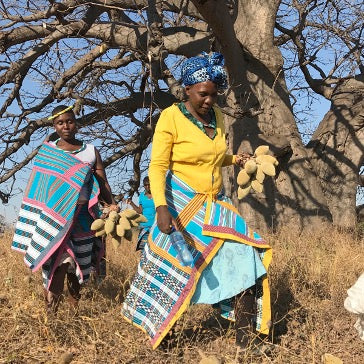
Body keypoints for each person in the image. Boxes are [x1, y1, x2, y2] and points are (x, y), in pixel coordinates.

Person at [121, 52, 272, 352]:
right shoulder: (171, 117)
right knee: (174, 269)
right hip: (181, 204)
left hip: (215, 204)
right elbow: (158, 165)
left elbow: (213, 157)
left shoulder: (216, 117)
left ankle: (248, 342)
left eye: (214, 94)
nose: (209, 100)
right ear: (187, 90)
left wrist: (236, 159)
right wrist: (162, 208)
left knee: (246, 257)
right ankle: (165, 338)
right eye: (203, 94)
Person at [12, 105, 119, 313]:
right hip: (55, 217)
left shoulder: (90, 151)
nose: (66, 126)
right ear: (54, 126)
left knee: (76, 265)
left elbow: (102, 181)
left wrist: (112, 203)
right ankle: (51, 311)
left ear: (76, 123)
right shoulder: (49, 150)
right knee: (59, 263)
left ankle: (74, 310)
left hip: (83, 217)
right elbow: (39, 186)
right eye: (60, 123)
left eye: (69, 121)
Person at [127, 176, 156, 251]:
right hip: (144, 227)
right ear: (143, 185)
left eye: (149, 184)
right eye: (145, 185)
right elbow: (139, 211)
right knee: (144, 249)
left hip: (155, 226)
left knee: (154, 249)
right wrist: (131, 203)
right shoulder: (141, 197)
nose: (147, 186)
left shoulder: (157, 195)